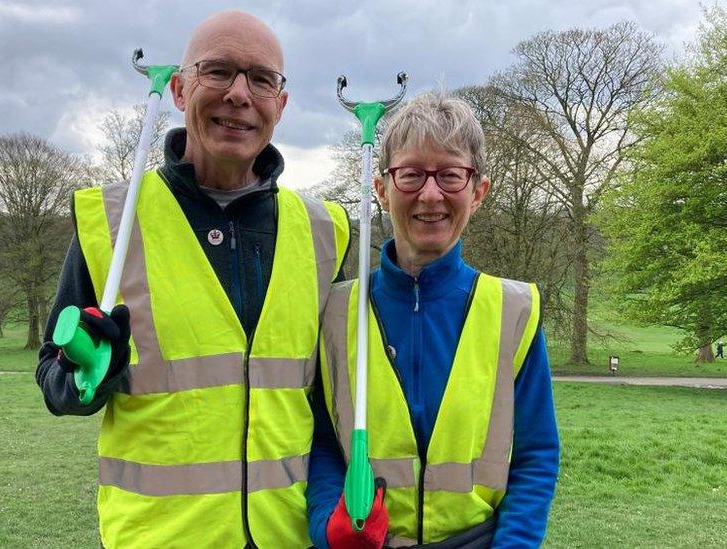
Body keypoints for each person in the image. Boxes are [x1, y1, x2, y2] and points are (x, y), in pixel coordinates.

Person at [35, 11, 350, 548]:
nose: (239, 94)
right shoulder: (113, 223)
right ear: (179, 90)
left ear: (281, 103)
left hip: (286, 536)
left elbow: (333, 402)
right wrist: (90, 375)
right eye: (219, 71)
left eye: (261, 79)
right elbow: (56, 382)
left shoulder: (327, 232)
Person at [307, 93, 560, 548]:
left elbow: (535, 455)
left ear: (477, 191)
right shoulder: (335, 312)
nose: (430, 194)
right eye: (411, 175)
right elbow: (322, 442)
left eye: (450, 175)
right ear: (382, 189)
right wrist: (328, 526)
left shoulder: (514, 311)